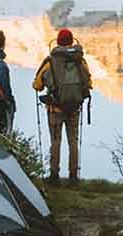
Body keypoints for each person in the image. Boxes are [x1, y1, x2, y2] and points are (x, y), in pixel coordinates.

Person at [32, 28, 92, 184]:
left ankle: (54, 176)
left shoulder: (50, 61)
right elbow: (88, 84)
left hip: (55, 109)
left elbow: (37, 85)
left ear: (57, 42)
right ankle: (73, 176)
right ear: (72, 42)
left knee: (55, 141)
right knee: (73, 141)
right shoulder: (80, 61)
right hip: (74, 109)